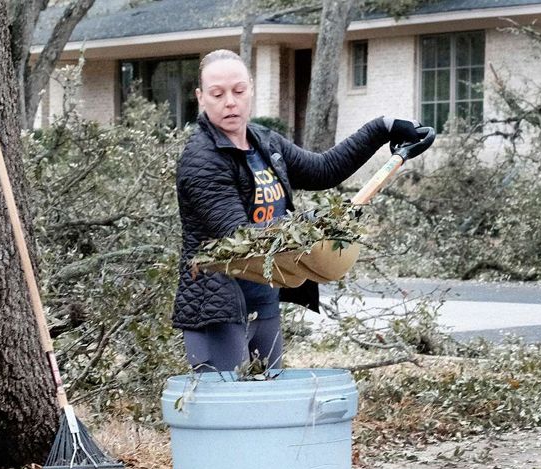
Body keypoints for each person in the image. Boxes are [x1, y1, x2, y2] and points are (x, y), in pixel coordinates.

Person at [174, 49, 425, 372]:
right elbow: (238, 237)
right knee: (227, 413)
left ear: (251, 88)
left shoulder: (264, 143)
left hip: (263, 301)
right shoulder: (201, 159)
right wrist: (312, 227)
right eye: (217, 94)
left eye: (238, 91)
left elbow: (323, 169)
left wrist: (383, 128)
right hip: (217, 308)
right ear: (201, 98)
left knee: (272, 408)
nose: (230, 102)